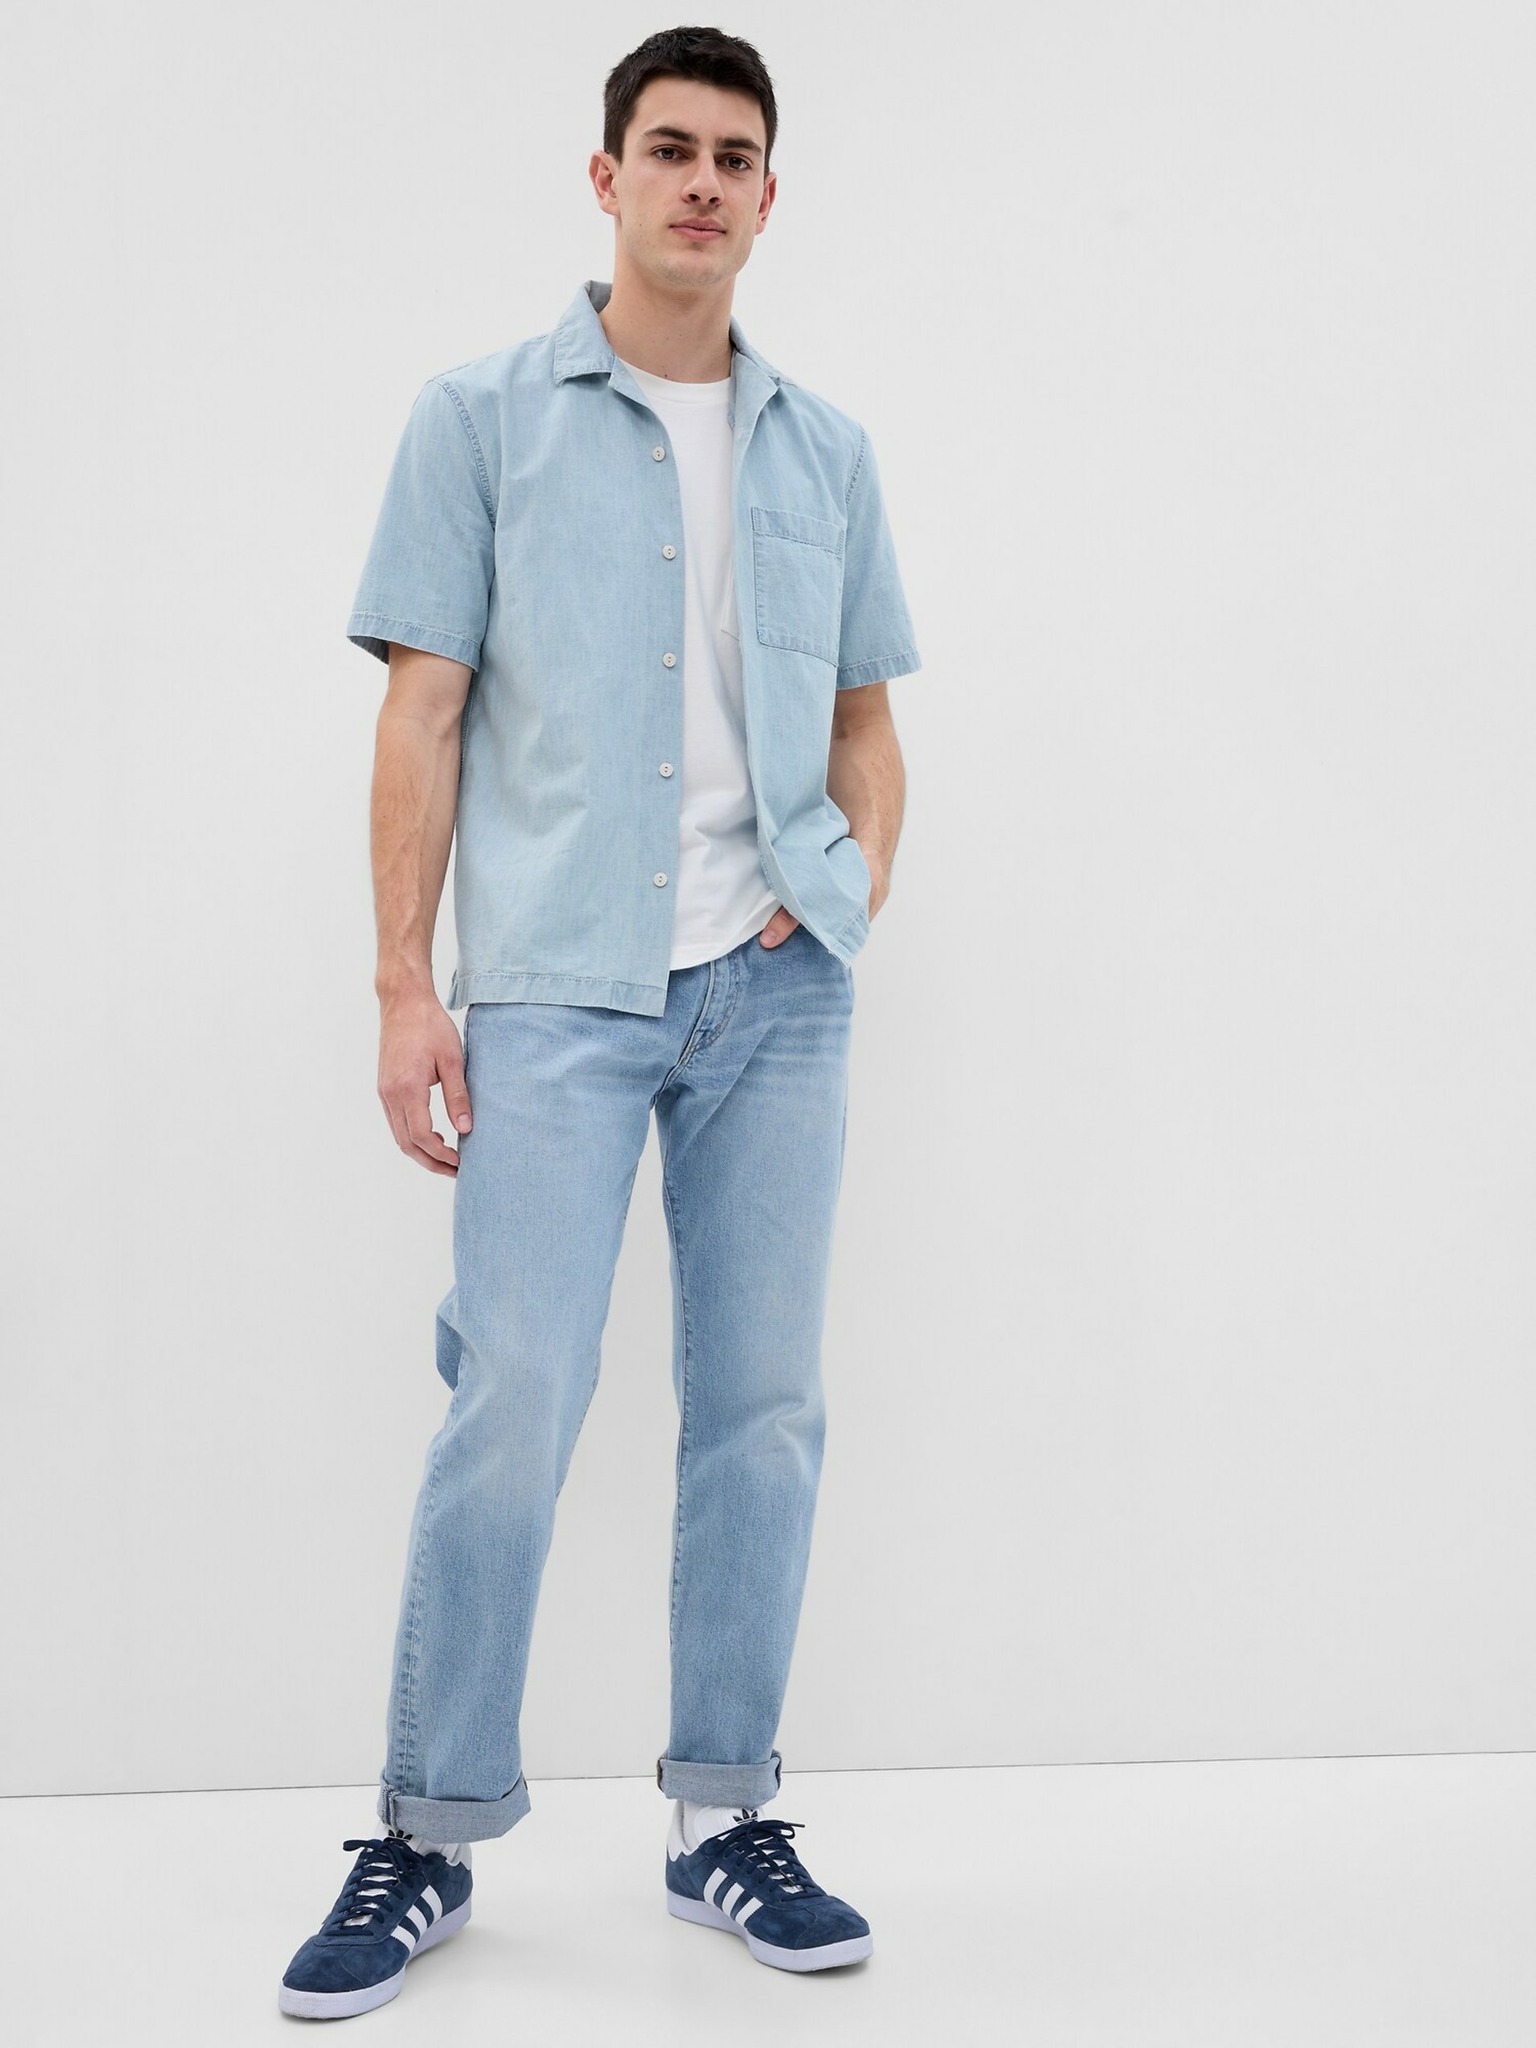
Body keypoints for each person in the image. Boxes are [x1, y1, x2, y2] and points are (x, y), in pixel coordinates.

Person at [279, 23, 921, 2020]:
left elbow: (868, 725)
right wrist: (406, 984)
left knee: (765, 1413)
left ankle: (726, 1817)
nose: (702, 181)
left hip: (774, 996)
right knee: (514, 1398)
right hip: (554, 985)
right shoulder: (478, 419)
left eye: (735, 155)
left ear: (768, 196)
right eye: (669, 148)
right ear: (608, 177)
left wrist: (839, 902)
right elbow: (422, 715)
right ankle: (425, 1830)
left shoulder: (827, 451)